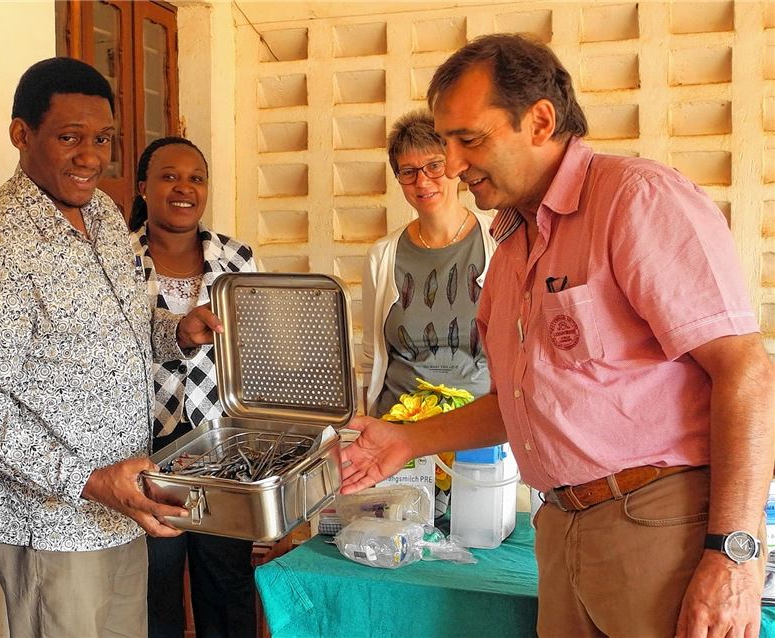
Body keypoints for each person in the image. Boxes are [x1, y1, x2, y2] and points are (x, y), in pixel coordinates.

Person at [341, 34, 774, 637]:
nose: (456, 165)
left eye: (470, 139)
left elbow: (747, 372)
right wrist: (405, 441)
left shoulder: (635, 199)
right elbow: (523, 401)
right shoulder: (513, 246)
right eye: (447, 143)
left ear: (540, 120)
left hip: (656, 526)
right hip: (562, 526)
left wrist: (733, 553)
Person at [0, 58, 221, 638]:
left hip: (121, 511)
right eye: (69, 138)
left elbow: (121, 327)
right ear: (22, 135)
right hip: (54, 527)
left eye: (103, 139)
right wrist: (92, 482)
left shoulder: (105, 214)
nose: (91, 156)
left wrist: (175, 331)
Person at [128, 136, 258, 638]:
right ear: (143, 188)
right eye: (168, 176)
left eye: (196, 178)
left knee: (226, 579)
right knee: (152, 578)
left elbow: (255, 348)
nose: (184, 188)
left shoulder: (237, 258)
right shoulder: (115, 258)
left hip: (223, 445)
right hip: (141, 444)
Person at [361, 111, 497, 517]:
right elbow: (373, 356)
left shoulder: (500, 241)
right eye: (408, 172)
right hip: (399, 439)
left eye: (434, 166)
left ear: (455, 167)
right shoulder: (382, 255)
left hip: (479, 441)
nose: (423, 181)